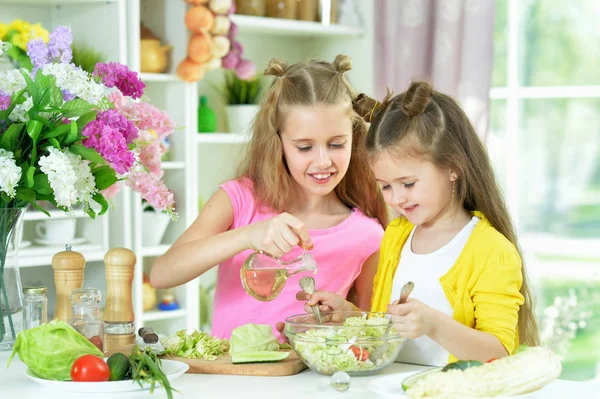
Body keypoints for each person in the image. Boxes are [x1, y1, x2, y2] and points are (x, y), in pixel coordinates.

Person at [299, 81, 539, 366]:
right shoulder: (396, 236)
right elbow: (389, 326)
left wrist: (434, 324)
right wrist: (350, 314)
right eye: (385, 186)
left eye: (408, 183)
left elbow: (499, 352)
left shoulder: (491, 251)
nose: (397, 198)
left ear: (453, 167)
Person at [150, 55, 388, 339]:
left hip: (309, 382)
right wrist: (246, 236)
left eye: (336, 144)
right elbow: (162, 274)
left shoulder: (366, 235)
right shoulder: (239, 200)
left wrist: (347, 317)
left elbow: (372, 330)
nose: (323, 161)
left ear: (354, 137)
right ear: (279, 142)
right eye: (304, 147)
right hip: (232, 379)